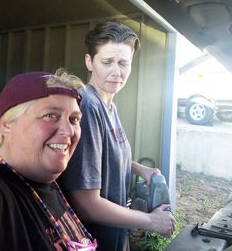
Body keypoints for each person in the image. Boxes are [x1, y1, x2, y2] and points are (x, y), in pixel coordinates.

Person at [58, 21, 175, 251]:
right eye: (107, 62)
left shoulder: (109, 105)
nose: (116, 71)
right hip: (92, 240)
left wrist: (140, 169)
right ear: (89, 62)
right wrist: (151, 221)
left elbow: (104, 155)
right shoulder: (88, 107)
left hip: (114, 234)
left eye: (123, 63)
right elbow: (86, 204)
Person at [0, 69, 97, 251]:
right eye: (50, 115)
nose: (69, 131)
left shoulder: (48, 182)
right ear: (6, 125)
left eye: (74, 119)